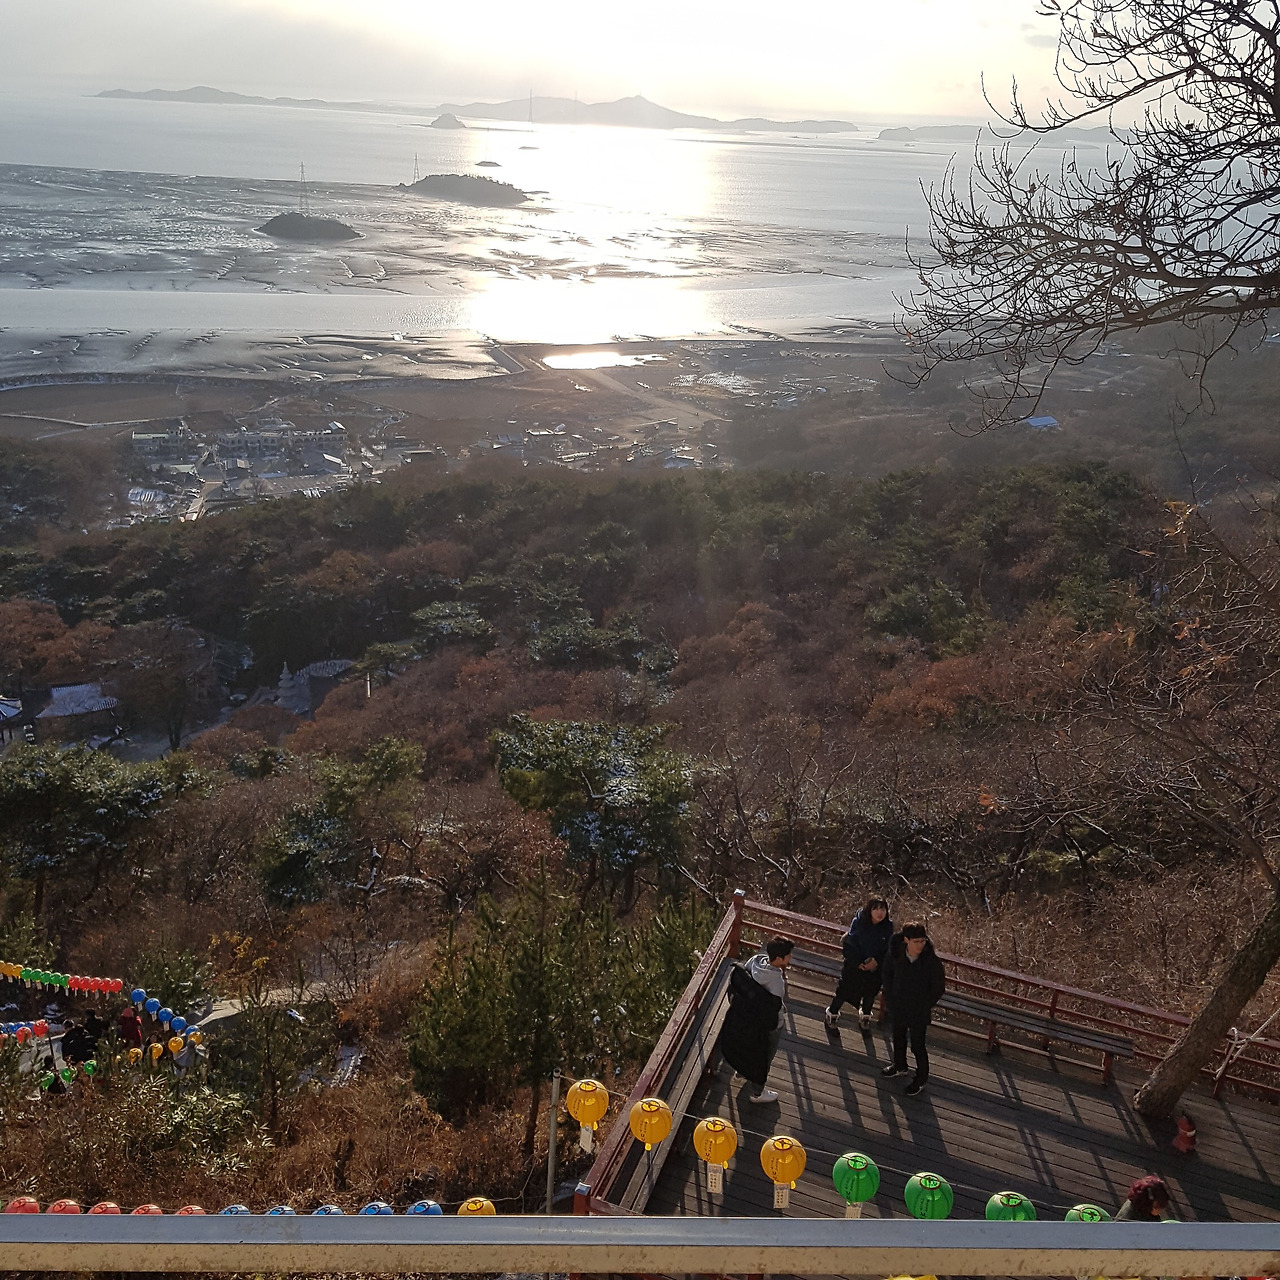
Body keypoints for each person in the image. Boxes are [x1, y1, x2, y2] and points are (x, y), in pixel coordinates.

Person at [718, 936, 794, 1105]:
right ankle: (757, 1092)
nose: (791, 957)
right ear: (779, 958)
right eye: (788, 955)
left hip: (744, 1018)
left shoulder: (755, 960)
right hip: (766, 1024)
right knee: (764, 1056)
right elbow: (773, 1008)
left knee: (747, 1048)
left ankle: (741, 1072)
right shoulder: (776, 982)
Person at [880, 922, 946, 1097]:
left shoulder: (931, 961)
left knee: (918, 1045)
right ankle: (899, 1066)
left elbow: (938, 987)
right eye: (916, 941)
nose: (920, 945)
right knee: (898, 1037)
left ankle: (921, 1079)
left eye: (923, 941)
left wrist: (924, 1004)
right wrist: (890, 998)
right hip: (899, 1005)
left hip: (918, 1010)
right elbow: (887, 974)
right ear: (906, 940)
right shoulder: (895, 953)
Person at [825, 897, 893, 1033]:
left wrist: (876, 961)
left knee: (870, 993)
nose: (880, 913)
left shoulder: (888, 927)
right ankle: (831, 1014)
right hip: (854, 966)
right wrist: (858, 963)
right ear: (869, 910)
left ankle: (865, 1018)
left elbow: (888, 950)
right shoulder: (859, 923)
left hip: (875, 969)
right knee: (843, 991)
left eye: (883, 909)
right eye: (876, 909)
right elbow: (849, 946)